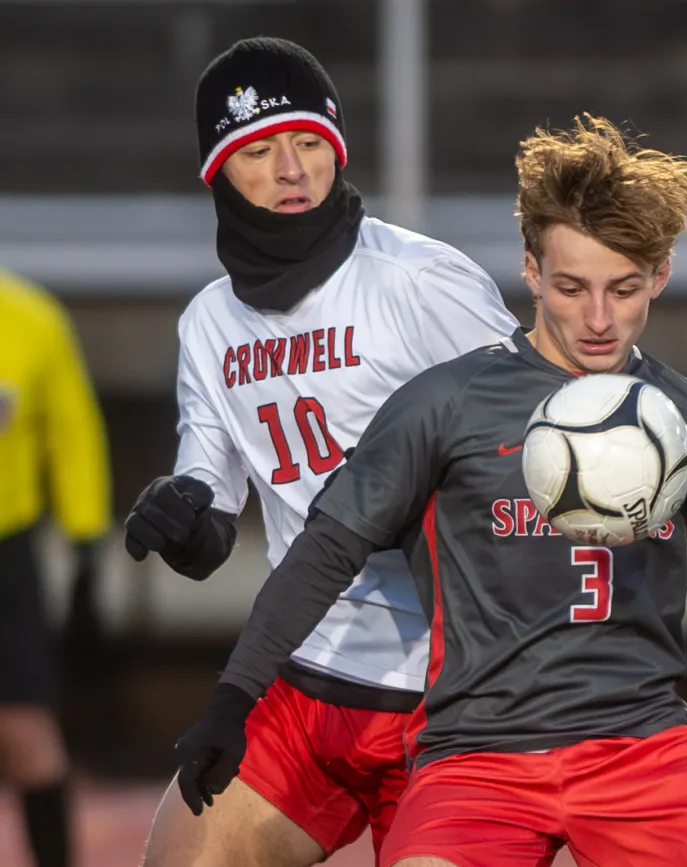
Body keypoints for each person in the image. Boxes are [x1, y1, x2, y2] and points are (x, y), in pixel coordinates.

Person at [174, 115, 687, 867]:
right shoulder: (445, 404)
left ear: (661, 274)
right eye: (570, 286)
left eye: (623, 289)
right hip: (475, 754)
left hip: (641, 744)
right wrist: (234, 696)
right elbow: (326, 551)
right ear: (529, 270)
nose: (596, 318)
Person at [122, 37, 519, 867]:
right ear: (218, 172)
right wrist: (182, 517)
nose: (291, 168)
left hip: (451, 694)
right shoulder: (208, 323)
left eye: (309, 143)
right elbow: (214, 497)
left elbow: (534, 444)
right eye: (259, 151)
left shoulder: (420, 280)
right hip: (305, 679)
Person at [1, 268, 111, 867]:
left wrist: (85, 539)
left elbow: (71, 431)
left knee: (26, 734)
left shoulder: (30, 319)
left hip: (5, 552)